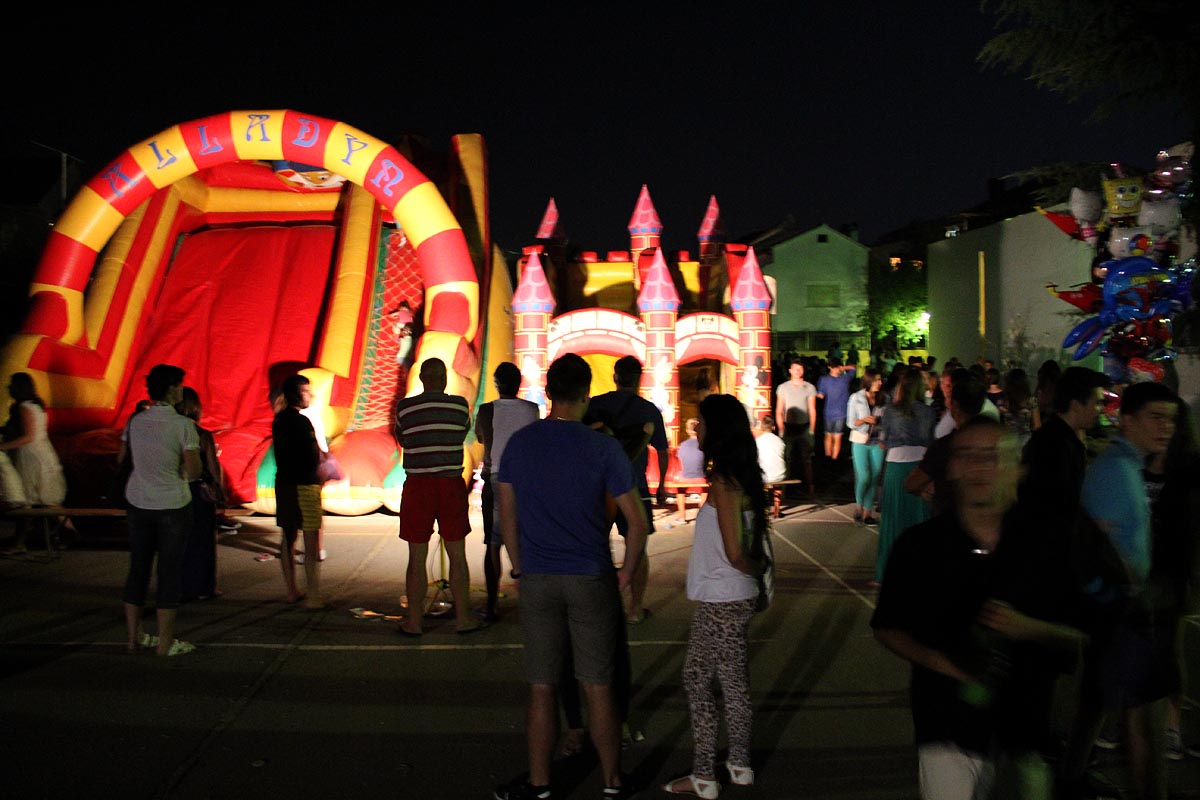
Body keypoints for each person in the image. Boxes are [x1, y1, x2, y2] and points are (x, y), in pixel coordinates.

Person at [871, 417, 1086, 800]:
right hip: (946, 729)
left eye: (992, 456)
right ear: (951, 467)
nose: (978, 467)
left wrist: (1029, 628)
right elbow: (887, 626)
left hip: (1026, 731)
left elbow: (1079, 634)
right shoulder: (920, 546)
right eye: (967, 456)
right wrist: (945, 664)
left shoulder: (1049, 543)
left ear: (1019, 469)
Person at [494, 353, 648, 800]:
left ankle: (540, 784)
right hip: (590, 575)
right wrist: (626, 572)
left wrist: (520, 567)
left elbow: (507, 514)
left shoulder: (520, 445)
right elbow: (636, 523)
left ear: (547, 393)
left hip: (539, 575)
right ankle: (612, 781)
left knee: (542, 685)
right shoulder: (604, 448)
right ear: (585, 395)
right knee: (597, 684)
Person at [1060, 380, 1181, 800]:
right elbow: (1104, 546)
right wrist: (1138, 599)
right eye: (1156, 418)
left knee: (1096, 701)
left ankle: (1070, 778)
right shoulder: (1115, 471)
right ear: (1127, 421)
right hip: (1124, 613)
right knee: (1145, 726)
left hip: (1116, 611)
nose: (1166, 428)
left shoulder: (1125, 466)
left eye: (1171, 420)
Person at [662, 393, 768, 798]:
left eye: (702, 422)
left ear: (717, 429)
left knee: (699, 678)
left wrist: (756, 571)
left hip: (724, 595)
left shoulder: (725, 481)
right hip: (731, 593)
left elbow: (736, 552)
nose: (697, 429)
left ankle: (705, 773)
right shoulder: (741, 476)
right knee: (731, 680)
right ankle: (738, 764)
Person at [393, 357, 482, 635]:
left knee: (416, 556)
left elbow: (403, 439)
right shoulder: (458, 406)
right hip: (450, 484)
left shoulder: (405, 408)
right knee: (457, 554)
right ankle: (463, 619)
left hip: (418, 486)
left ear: (421, 379)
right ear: (445, 379)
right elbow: (460, 435)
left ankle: (415, 622)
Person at [120, 364, 202, 656]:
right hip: (172, 504)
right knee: (169, 571)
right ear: (171, 389)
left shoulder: (136, 422)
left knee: (138, 568)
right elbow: (193, 471)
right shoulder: (183, 425)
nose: (182, 390)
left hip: (138, 500)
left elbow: (124, 458)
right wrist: (180, 468)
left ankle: (133, 638)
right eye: (179, 385)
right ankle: (165, 643)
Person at [588, 355, 667, 625]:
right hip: (637, 487)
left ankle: (602, 605)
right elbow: (662, 451)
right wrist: (663, 485)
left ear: (615, 377)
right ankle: (635, 608)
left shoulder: (596, 404)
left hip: (600, 488)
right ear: (639, 378)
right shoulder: (649, 410)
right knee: (638, 548)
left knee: (598, 545)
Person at [475, 361, 540, 622]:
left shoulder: (486, 411)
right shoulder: (532, 410)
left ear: (496, 384)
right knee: (525, 542)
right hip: (525, 481)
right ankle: (531, 604)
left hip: (495, 479)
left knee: (493, 544)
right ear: (519, 384)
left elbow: (480, 438)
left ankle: (491, 605)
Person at [875, 366, 936, 586]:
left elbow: (883, 441)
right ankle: (920, 570)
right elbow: (931, 441)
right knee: (919, 518)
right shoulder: (929, 412)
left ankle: (885, 572)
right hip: (919, 464)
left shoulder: (890, 411)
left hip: (895, 463)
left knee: (892, 519)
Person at [272, 374, 327, 610]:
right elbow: (312, 457)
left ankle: (291, 591)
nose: (310, 395)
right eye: (306, 391)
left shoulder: (278, 421)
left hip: (284, 483)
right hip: (305, 484)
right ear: (296, 394)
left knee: (288, 537)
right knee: (311, 538)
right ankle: (313, 595)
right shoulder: (302, 422)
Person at [0, 373, 68, 553]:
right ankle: (70, 534)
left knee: (28, 500)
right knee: (48, 500)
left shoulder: (24, 407)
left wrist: (4, 446)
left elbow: (28, 436)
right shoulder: (37, 406)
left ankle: (19, 542)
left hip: (31, 456)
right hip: (42, 452)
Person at [903, 374, 987, 517]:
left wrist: (929, 490)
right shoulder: (992, 442)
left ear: (954, 404)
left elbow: (911, 484)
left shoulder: (945, 446)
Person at [176, 386, 224, 602]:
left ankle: (180, 584)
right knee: (203, 541)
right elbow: (211, 467)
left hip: (174, 489)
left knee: (179, 541)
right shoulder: (201, 434)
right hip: (198, 491)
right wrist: (219, 492)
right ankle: (204, 586)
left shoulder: (170, 430)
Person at [775, 357, 818, 502]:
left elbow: (812, 409)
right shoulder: (783, 387)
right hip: (788, 427)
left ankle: (811, 489)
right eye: (795, 369)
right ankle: (782, 493)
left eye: (800, 369)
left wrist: (812, 428)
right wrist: (781, 428)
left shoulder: (809, 387)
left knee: (807, 460)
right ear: (790, 371)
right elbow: (779, 409)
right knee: (786, 460)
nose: (798, 371)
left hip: (804, 426)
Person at [847, 366, 886, 525]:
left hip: (878, 441)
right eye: (877, 380)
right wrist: (864, 420)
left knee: (874, 477)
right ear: (869, 380)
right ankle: (859, 505)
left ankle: (868, 512)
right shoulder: (856, 398)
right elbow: (850, 422)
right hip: (860, 440)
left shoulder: (884, 399)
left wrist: (881, 424)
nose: (880, 383)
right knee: (864, 476)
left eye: (880, 380)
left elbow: (889, 420)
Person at [816, 356, 855, 463]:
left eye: (838, 367)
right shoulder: (844, 378)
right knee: (830, 436)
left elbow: (820, 395)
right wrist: (843, 368)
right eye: (836, 367)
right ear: (830, 367)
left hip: (836, 412)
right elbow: (853, 368)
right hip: (832, 412)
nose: (837, 369)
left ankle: (832, 459)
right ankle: (831, 459)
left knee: (835, 436)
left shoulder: (826, 379)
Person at [673, 417, 707, 524]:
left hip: (685, 477)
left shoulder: (682, 445)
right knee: (706, 490)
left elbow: (681, 464)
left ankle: (682, 517)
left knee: (680, 491)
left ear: (687, 430)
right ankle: (701, 516)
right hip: (701, 477)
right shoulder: (704, 445)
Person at [999, 368, 1034, 451]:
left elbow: (999, 424)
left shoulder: (1002, 402)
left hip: (1008, 440)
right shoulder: (1031, 401)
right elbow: (1037, 426)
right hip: (1026, 442)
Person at [753, 415, 787, 484]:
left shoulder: (757, 441)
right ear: (773, 428)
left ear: (761, 427)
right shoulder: (780, 441)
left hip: (765, 477)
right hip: (781, 476)